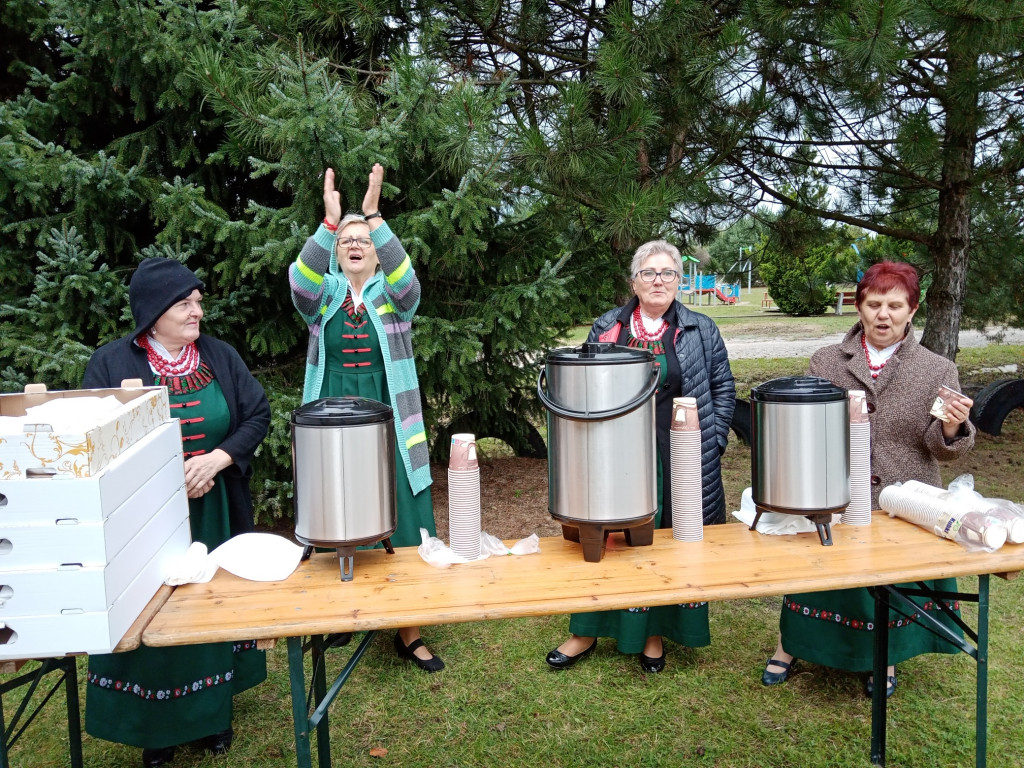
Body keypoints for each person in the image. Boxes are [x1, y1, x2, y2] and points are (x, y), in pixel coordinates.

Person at [82, 257, 271, 767]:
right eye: (185, 303)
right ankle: (157, 730)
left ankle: (213, 716)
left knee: (212, 607)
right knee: (153, 614)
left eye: (198, 301)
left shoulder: (219, 356)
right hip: (145, 523)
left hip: (215, 516)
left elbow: (257, 413)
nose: (197, 311)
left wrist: (219, 457)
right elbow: (97, 443)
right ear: (154, 313)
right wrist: (164, 480)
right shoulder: (109, 365)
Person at [761, 261, 976, 698]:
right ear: (858, 307)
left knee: (891, 583)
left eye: (895, 305)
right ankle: (791, 645)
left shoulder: (937, 369)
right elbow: (805, 428)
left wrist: (953, 427)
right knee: (819, 576)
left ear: (912, 310)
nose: (884, 315)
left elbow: (940, 446)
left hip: (906, 495)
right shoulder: (826, 360)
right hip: (833, 490)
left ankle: (887, 656)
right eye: (873, 303)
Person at [546, 240, 736, 673]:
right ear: (633, 281)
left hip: (679, 455)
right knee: (605, 540)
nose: (658, 281)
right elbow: (581, 387)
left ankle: (653, 634)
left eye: (668, 273)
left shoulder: (700, 329)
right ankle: (585, 631)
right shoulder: (608, 327)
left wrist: (714, 440)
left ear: (678, 282)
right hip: (613, 456)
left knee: (665, 544)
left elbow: (724, 389)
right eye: (649, 273)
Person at [289, 163, 443, 672]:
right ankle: (343, 615)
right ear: (338, 251)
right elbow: (300, 281)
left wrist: (374, 216)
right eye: (347, 241)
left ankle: (409, 629)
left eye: (364, 240)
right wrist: (329, 222)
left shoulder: (396, 301)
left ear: (376, 249)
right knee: (338, 508)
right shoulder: (324, 297)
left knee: (402, 514)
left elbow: (408, 281)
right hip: (332, 423)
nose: (356, 245)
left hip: (391, 423)